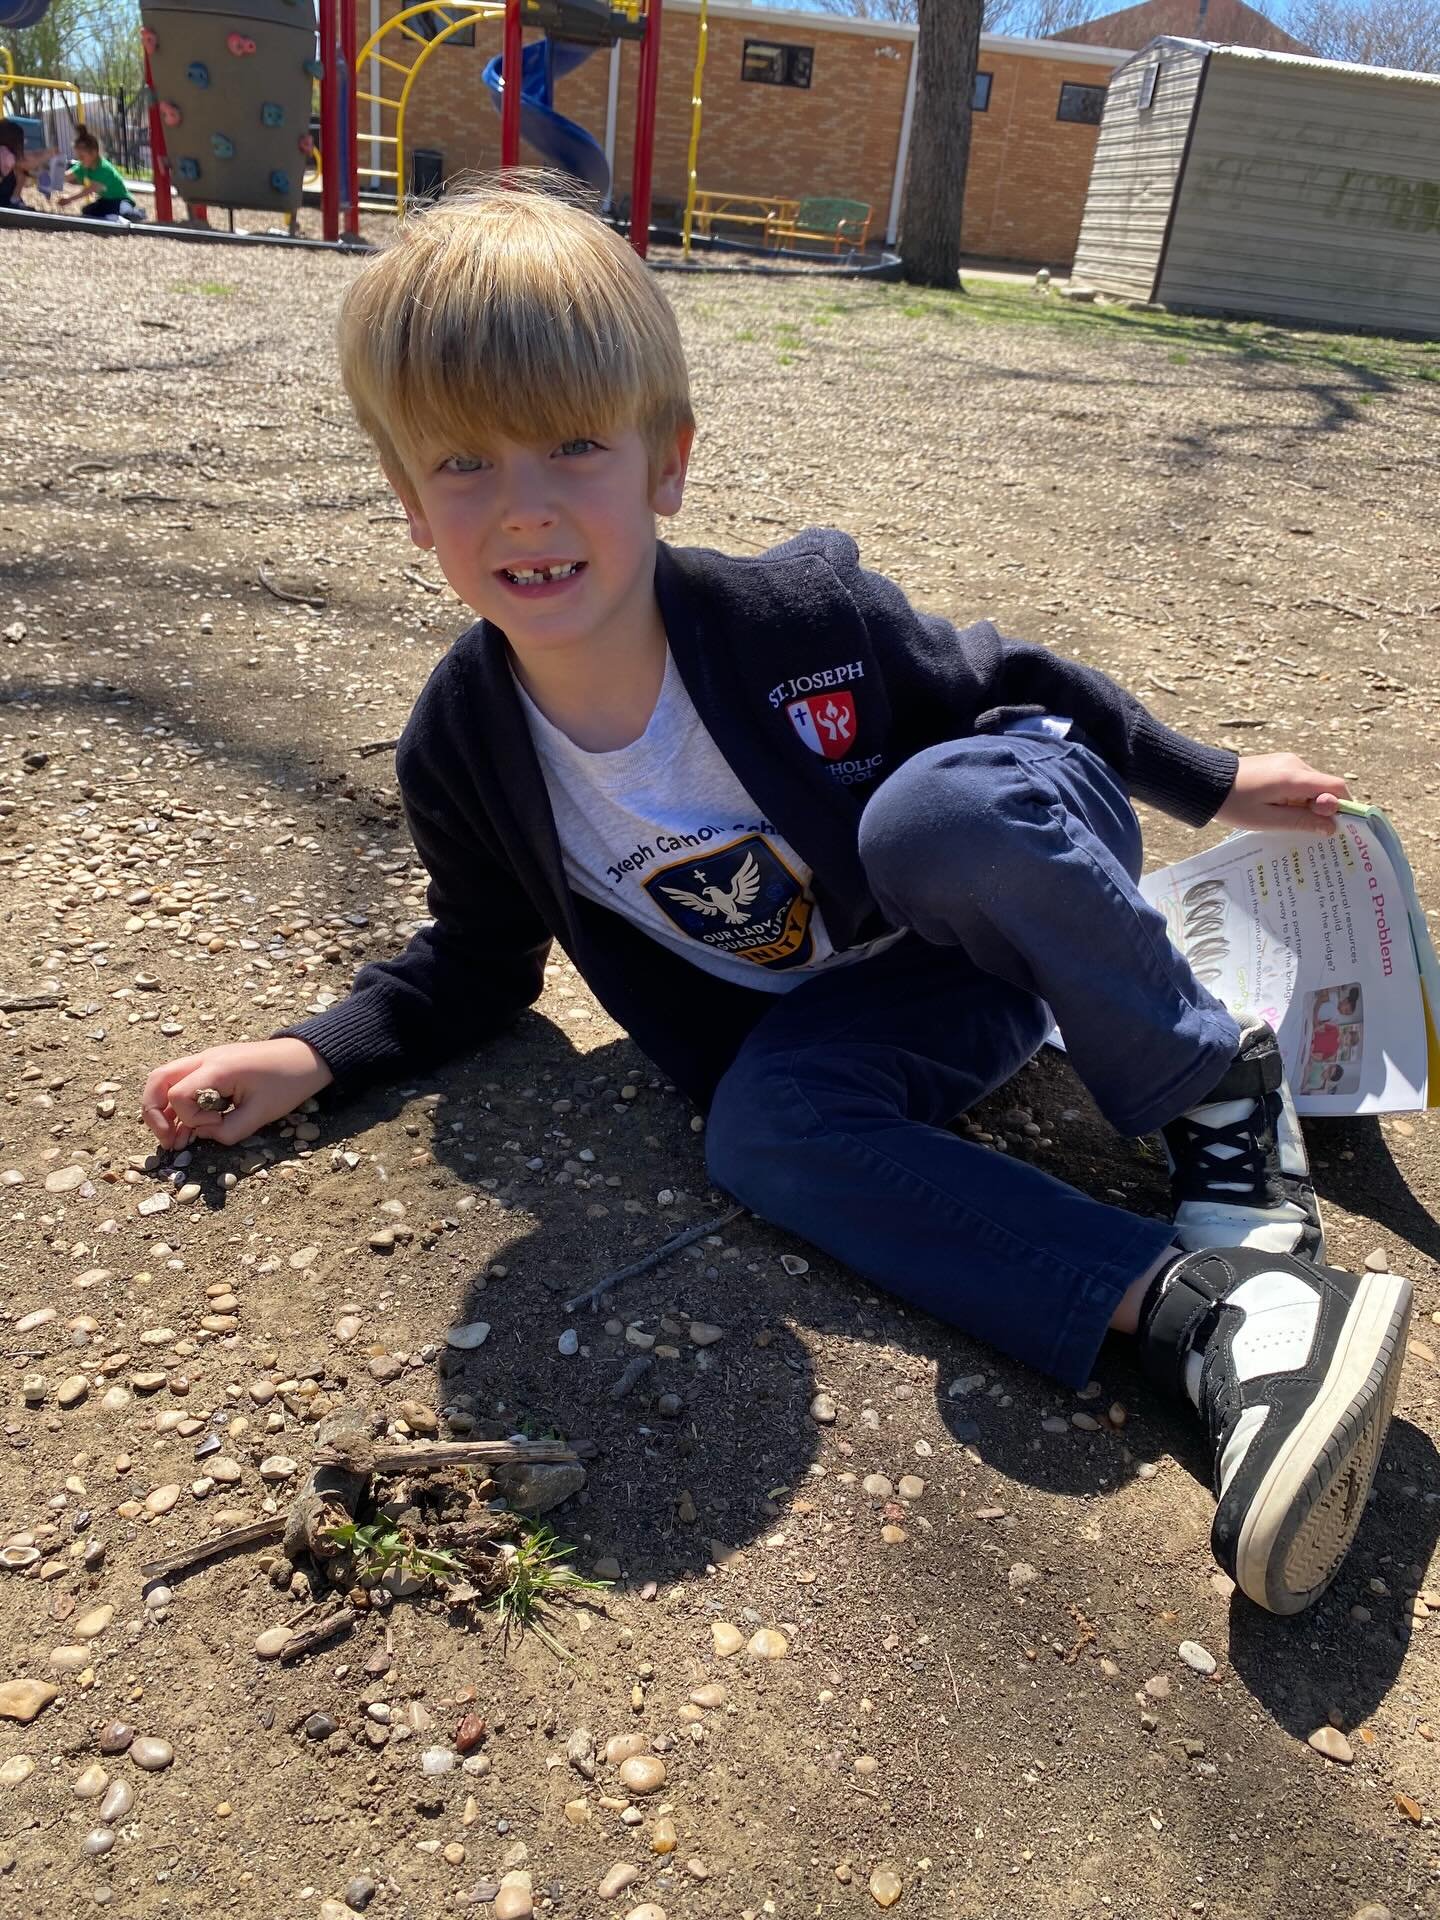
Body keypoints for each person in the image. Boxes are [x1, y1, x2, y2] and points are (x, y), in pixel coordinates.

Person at [141, 180, 1412, 1618]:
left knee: (936, 812)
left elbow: (1018, 686)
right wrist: (315, 1054)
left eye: (574, 446)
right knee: (759, 1129)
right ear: (408, 502)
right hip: (906, 1002)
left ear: (665, 462)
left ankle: (1214, 1085)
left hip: (1006, 862)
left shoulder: (796, 623)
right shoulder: (465, 744)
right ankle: (1217, 1319)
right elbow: (478, 961)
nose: (529, 507)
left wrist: (1218, 778)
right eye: (465, 465)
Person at [58, 129, 143, 221]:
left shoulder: (103, 168)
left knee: (123, 210)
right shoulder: (83, 166)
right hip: (106, 200)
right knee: (87, 211)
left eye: (82, 156)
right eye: (78, 157)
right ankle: (114, 216)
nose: (79, 159)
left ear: (94, 153)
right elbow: (67, 176)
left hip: (121, 199)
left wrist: (69, 199)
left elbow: (89, 189)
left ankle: (135, 212)